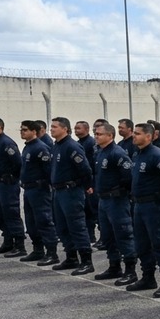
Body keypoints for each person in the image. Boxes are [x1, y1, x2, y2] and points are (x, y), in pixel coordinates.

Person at [124, 123, 160, 298]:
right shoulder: (137, 154)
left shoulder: (157, 155)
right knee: (142, 244)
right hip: (139, 205)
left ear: (148, 136)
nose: (134, 136)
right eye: (134, 133)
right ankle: (148, 277)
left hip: (155, 206)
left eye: (138, 134)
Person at [90, 123, 137, 285]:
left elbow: (129, 176)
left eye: (100, 134)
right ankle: (114, 266)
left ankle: (130, 270)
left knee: (123, 234)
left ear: (110, 136)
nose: (96, 137)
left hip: (117, 200)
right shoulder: (100, 152)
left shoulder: (117, 153)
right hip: (104, 199)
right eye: (96, 134)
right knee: (108, 235)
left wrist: (120, 191)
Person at [49, 117, 95, 275]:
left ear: (65, 129)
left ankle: (86, 261)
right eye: (51, 127)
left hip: (71, 191)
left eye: (55, 127)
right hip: (58, 191)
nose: (51, 129)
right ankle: (71, 257)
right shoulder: (56, 146)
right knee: (62, 226)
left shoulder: (71, 146)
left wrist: (86, 186)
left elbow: (85, 169)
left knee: (76, 226)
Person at [17, 121, 59, 266]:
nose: (22, 132)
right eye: (21, 129)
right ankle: (38, 249)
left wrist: (47, 186)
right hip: (29, 189)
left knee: (44, 221)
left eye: (25, 130)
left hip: (39, 189)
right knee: (31, 222)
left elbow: (48, 170)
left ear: (34, 131)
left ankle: (52, 253)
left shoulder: (40, 148)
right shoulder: (28, 147)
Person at [0, 117, 26, 257]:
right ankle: (8, 242)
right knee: (1, 214)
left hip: (7, 184)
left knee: (11, 213)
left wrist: (11, 178)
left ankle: (19, 245)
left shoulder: (6, 143)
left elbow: (17, 163)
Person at [75, 120, 99, 244]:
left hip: (91, 180)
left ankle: (95, 235)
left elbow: (91, 163)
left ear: (86, 129)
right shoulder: (78, 143)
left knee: (92, 209)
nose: (76, 130)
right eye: (75, 128)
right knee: (85, 210)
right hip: (82, 181)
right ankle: (90, 235)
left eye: (78, 128)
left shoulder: (90, 143)